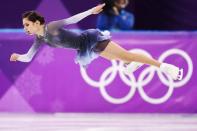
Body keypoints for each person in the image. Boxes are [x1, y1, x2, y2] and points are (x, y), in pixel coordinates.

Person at [10, 4, 183, 80]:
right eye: (24, 25)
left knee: (126, 55)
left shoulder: (52, 27)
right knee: (116, 58)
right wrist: (18, 57)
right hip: (85, 47)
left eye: (27, 24)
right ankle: (132, 64)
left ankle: (164, 67)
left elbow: (71, 19)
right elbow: (28, 57)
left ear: (37, 23)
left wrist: (91, 11)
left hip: (90, 39)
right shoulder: (39, 39)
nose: (25, 28)